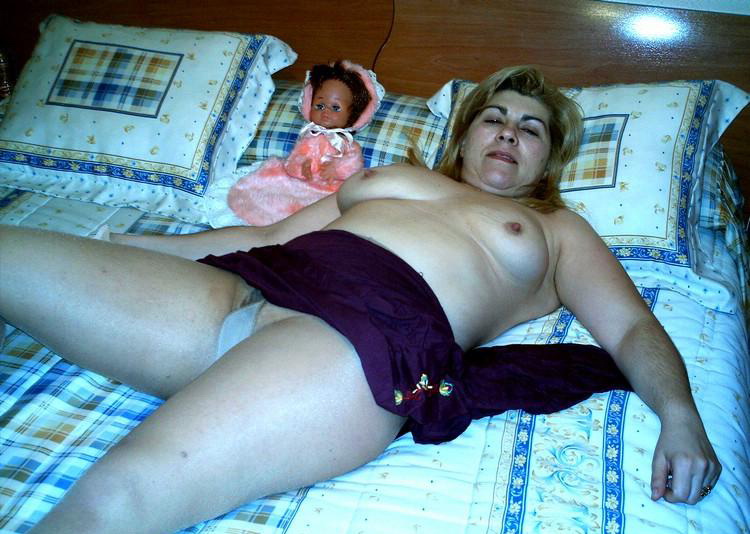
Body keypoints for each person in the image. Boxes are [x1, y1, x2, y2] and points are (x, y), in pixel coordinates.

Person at [0, 65, 720, 534]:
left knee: (119, 494)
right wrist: (126, 244)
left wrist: (680, 416)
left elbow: (631, 328)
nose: (509, 131)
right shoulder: (393, 176)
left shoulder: (557, 229)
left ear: (548, 157)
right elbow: (266, 236)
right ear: (465, 133)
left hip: (357, 347)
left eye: (530, 128)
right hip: (251, 286)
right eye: (494, 117)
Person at [227, 59, 383, 225]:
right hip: (301, 182)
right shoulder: (310, 137)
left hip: (330, 190)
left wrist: (336, 169)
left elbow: (353, 166)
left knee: (325, 213)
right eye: (320, 106)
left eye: (335, 108)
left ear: (354, 115)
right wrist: (302, 166)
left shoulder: (347, 145)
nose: (326, 112)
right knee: (271, 191)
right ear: (309, 104)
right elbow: (295, 158)